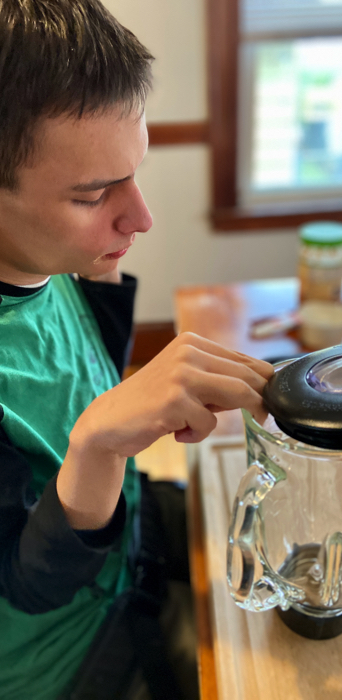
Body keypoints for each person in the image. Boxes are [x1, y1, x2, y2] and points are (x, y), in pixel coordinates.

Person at [0, 1, 274, 699]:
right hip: (68, 661)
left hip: (136, 545)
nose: (143, 218)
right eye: (95, 194)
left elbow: (86, 367)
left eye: (135, 169)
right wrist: (97, 445)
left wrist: (100, 268)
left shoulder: (41, 259)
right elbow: (30, 583)